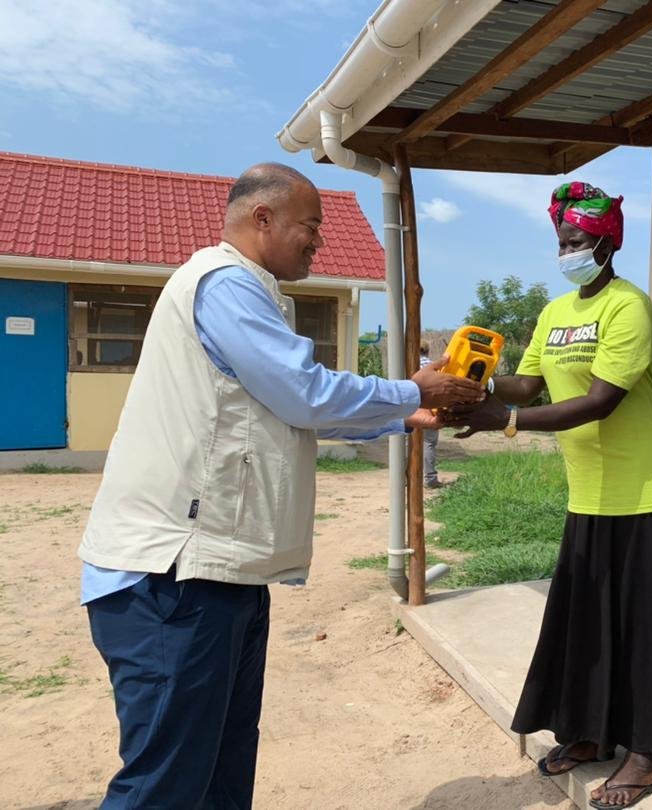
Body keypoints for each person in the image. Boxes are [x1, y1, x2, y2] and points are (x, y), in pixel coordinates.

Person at [77, 163, 483, 809]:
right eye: (310, 226)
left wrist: (406, 413)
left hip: (222, 576)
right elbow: (303, 391)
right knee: (166, 785)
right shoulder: (224, 283)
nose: (318, 241)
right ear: (262, 218)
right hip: (173, 577)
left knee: (221, 769)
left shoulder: (254, 294)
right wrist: (413, 390)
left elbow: (288, 414)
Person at [444, 181, 652, 809]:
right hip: (590, 488)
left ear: (604, 242)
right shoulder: (555, 312)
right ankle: (590, 730)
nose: (566, 250)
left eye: (576, 240)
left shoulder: (630, 308)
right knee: (588, 619)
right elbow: (529, 384)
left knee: (640, 626)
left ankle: (648, 751)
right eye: (561, 242)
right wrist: (476, 388)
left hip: (643, 482)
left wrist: (509, 424)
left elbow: (601, 401)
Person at [419, 339, 441, 488]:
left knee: (407, 444)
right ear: (427, 351)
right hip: (430, 409)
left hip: (409, 408)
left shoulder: (406, 365)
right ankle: (430, 478)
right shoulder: (435, 367)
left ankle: (405, 478)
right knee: (429, 443)